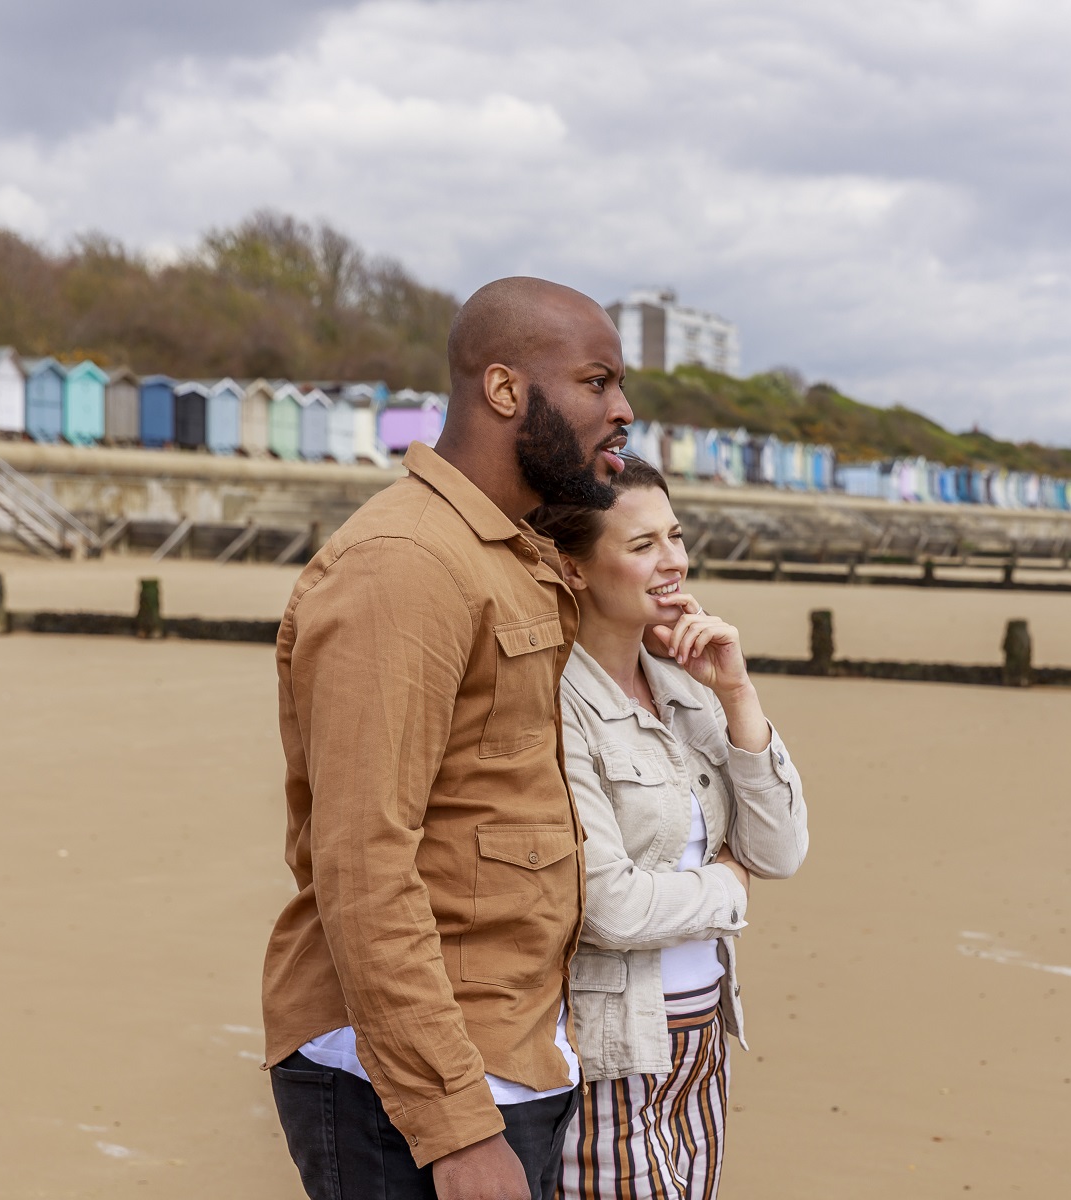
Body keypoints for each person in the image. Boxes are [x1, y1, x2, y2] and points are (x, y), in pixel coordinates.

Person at [262, 277, 634, 1200]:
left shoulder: (507, 555)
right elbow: (363, 865)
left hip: (507, 1051)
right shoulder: (405, 568)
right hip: (410, 1084)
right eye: (597, 382)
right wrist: (455, 1127)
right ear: (505, 390)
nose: (622, 411)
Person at [528, 455, 809, 1199]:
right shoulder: (557, 705)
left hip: (707, 1038)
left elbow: (780, 850)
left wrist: (738, 691)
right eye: (642, 544)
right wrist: (726, 886)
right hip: (614, 1049)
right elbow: (608, 906)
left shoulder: (686, 688)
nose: (674, 562)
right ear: (575, 567)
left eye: (676, 537)